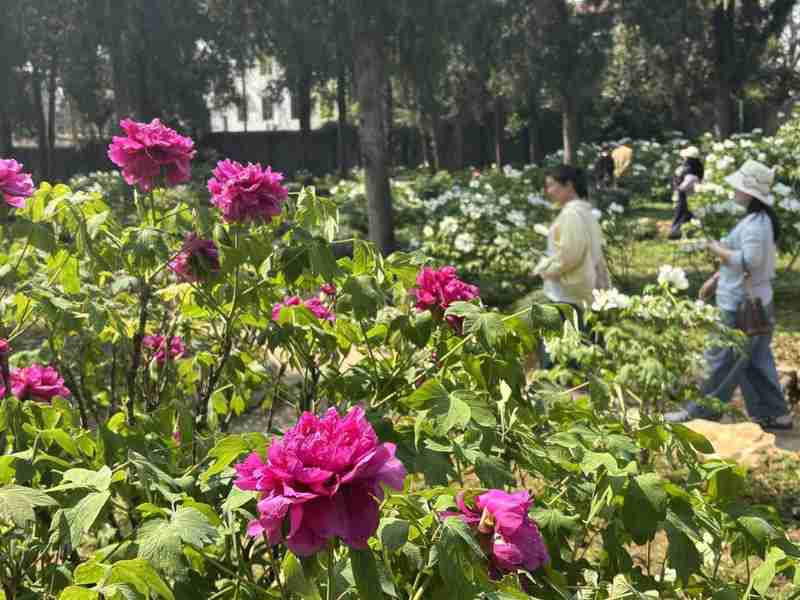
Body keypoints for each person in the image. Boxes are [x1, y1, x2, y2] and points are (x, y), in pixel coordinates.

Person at [666, 160, 793, 431]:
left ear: (750, 192)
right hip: (752, 301)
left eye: (738, 186)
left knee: (719, 359)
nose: (734, 190)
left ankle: (699, 413)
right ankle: (775, 414)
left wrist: (716, 249)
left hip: (740, 306)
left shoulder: (757, 225)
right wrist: (715, 278)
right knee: (755, 362)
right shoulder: (755, 220)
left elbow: (750, 261)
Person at [669, 146, 704, 239]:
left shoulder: (690, 172)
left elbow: (684, 186)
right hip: (691, 197)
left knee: (681, 216)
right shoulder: (696, 169)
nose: (683, 159)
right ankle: (685, 234)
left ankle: (675, 234)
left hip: (686, 198)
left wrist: (676, 184)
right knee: (688, 217)